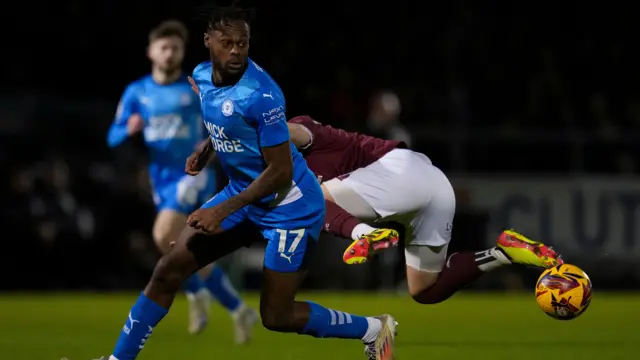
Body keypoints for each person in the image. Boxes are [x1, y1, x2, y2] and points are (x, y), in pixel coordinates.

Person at [104, 5, 396, 360]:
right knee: (169, 268)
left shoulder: (262, 95)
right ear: (208, 41)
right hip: (245, 195)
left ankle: (373, 329)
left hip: (290, 208)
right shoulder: (201, 76)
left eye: (243, 43)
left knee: (277, 316)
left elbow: (280, 173)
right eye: (227, 43)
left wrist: (220, 211)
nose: (236, 51)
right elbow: (225, 118)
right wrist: (208, 147)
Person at [286, 115, 564, 305]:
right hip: (434, 184)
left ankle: (366, 234)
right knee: (424, 289)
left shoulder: (294, 132)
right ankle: (503, 253)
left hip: (398, 172)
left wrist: (249, 129)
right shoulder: (274, 173)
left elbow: (293, 132)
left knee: (307, 200)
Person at [106, 19, 256, 341]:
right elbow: (112, 136)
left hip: (193, 174)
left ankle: (197, 293)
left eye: (176, 47)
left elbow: (220, 121)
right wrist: (128, 129)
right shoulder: (137, 92)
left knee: (162, 234)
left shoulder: (193, 89)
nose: (170, 53)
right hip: (160, 179)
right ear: (151, 52)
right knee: (181, 250)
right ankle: (236, 308)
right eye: (164, 47)